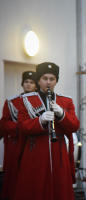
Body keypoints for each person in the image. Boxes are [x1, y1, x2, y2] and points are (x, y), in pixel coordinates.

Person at [14, 62, 79, 200]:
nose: (48, 82)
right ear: (38, 80)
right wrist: (40, 121)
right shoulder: (25, 100)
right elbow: (21, 127)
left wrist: (62, 114)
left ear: (56, 81)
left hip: (59, 152)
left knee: (59, 189)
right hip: (35, 151)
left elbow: (74, 126)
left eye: (52, 79)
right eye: (45, 78)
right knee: (36, 188)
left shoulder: (65, 101)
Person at [0, 71, 37, 200]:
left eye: (31, 82)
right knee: (14, 174)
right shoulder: (12, 101)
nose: (28, 84)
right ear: (22, 83)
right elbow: (4, 122)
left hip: (32, 142)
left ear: (36, 85)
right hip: (16, 142)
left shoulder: (39, 101)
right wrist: (18, 127)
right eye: (26, 81)